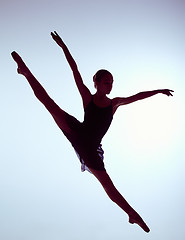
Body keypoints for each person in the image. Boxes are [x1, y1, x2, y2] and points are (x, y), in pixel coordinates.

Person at [11, 31, 173, 233]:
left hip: (91, 148)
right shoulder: (88, 97)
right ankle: (26, 72)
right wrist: (63, 47)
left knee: (108, 186)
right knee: (50, 104)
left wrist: (157, 91)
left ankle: (131, 213)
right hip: (78, 132)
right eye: (106, 80)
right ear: (96, 82)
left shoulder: (114, 104)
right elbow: (74, 70)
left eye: (112, 81)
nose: (110, 84)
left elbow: (137, 96)